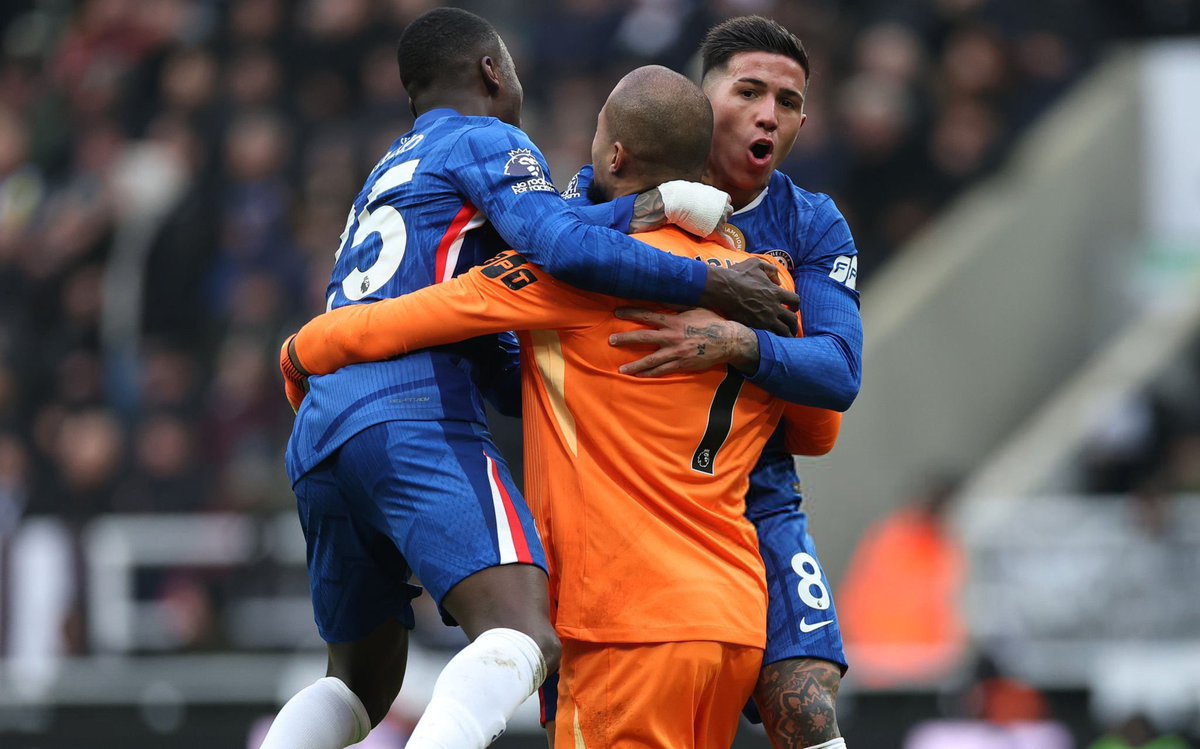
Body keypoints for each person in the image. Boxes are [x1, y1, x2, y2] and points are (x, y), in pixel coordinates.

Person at [260, 9, 799, 749]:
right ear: (492, 71)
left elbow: (498, 345)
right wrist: (699, 273)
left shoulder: (389, 170)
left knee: (361, 679)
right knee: (521, 633)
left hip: (322, 426)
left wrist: (302, 353)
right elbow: (560, 246)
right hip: (414, 409)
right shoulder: (488, 138)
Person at [569, 16, 864, 748]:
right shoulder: (613, 196)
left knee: (806, 706)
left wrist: (737, 341)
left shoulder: (811, 224)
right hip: (621, 494)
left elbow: (838, 371)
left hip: (756, 493)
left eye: (789, 102)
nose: (770, 114)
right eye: (750, 91)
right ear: (701, 104)